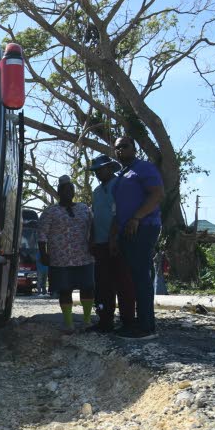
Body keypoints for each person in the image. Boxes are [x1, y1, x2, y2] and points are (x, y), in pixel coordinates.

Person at [110, 136, 164, 340]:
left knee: (141, 277)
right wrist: (114, 237)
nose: (120, 150)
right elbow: (117, 210)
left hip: (143, 227)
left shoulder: (144, 168)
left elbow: (157, 194)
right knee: (133, 278)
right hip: (126, 231)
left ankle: (146, 327)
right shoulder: (122, 174)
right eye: (117, 148)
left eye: (125, 146)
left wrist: (137, 218)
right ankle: (134, 324)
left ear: (134, 147)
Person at [38, 175, 96, 334]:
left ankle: (86, 320)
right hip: (60, 259)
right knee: (65, 290)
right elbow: (42, 234)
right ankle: (69, 323)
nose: (68, 192)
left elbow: (94, 228)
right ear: (58, 192)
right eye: (64, 189)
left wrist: (93, 243)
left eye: (70, 189)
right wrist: (44, 254)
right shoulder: (50, 212)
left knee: (88, 288)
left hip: (84, 256)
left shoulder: (84, 208)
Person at [85, 155, 135, 333]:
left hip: (119, 242)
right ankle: (105, 320)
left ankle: (128, 321)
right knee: (102, 284)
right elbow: (95, 216)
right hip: (100, 243)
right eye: (96, 170)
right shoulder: (97, 191)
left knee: (123, 282)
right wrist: (91, 238)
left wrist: (114, 238)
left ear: (110, 168)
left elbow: (119, 213)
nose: (99, 173)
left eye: (101, 169)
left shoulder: (120, 185)